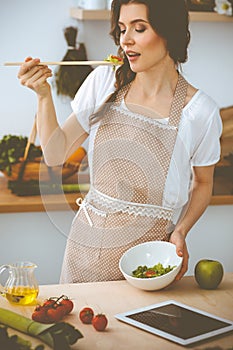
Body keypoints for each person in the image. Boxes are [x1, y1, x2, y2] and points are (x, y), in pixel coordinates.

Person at [17, 0, 222, 284]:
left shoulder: (201, 111)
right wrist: (43, 95)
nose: (125, 40)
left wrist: (181, 231)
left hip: (150, 261)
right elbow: (54, 153)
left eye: (139, 28)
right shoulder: (104, 82)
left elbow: (203, 183)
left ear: (170, 33)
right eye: (122, 28)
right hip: (84, 250)